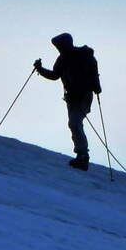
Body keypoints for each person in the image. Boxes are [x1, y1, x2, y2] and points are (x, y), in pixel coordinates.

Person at [34, 32, 100, 171]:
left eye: (60, 46)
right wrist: (40, 69)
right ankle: (81, 156)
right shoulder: (64, 59)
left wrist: (96, 85)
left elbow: (92, 71)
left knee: (74, 123)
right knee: (74, 124)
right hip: (72, 97)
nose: (58, 48)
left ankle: (83, 156)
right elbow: (55, 75)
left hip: (82, 96)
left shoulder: (82, 56)